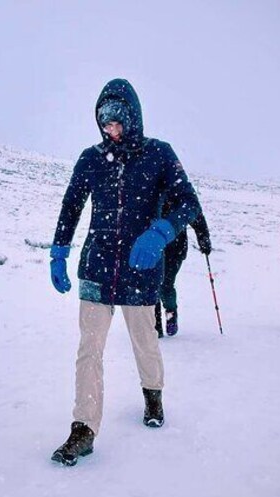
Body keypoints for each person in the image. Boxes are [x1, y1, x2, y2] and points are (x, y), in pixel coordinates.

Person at [49, 78, 201, 466]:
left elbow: (188, 203)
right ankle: (83, 428)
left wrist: (161, 231)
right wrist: (59, 251)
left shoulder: (160, 155)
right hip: (97, 265)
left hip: (141, 267)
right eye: (104, 123)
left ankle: (153, 394)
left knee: (144, 341)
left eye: (117, 122)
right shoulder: (91, 158)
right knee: (89, 350)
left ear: (132, 118)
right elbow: (71, 206)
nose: (110, 130)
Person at [154, 205, 212, 337]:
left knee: (165, 285)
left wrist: (203, 238)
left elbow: (195, 215)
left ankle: (171, 313)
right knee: (153, 285)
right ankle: (155, 324)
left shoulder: (179, 193)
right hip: (154, 247)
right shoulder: (150, 190)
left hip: (175, 248)